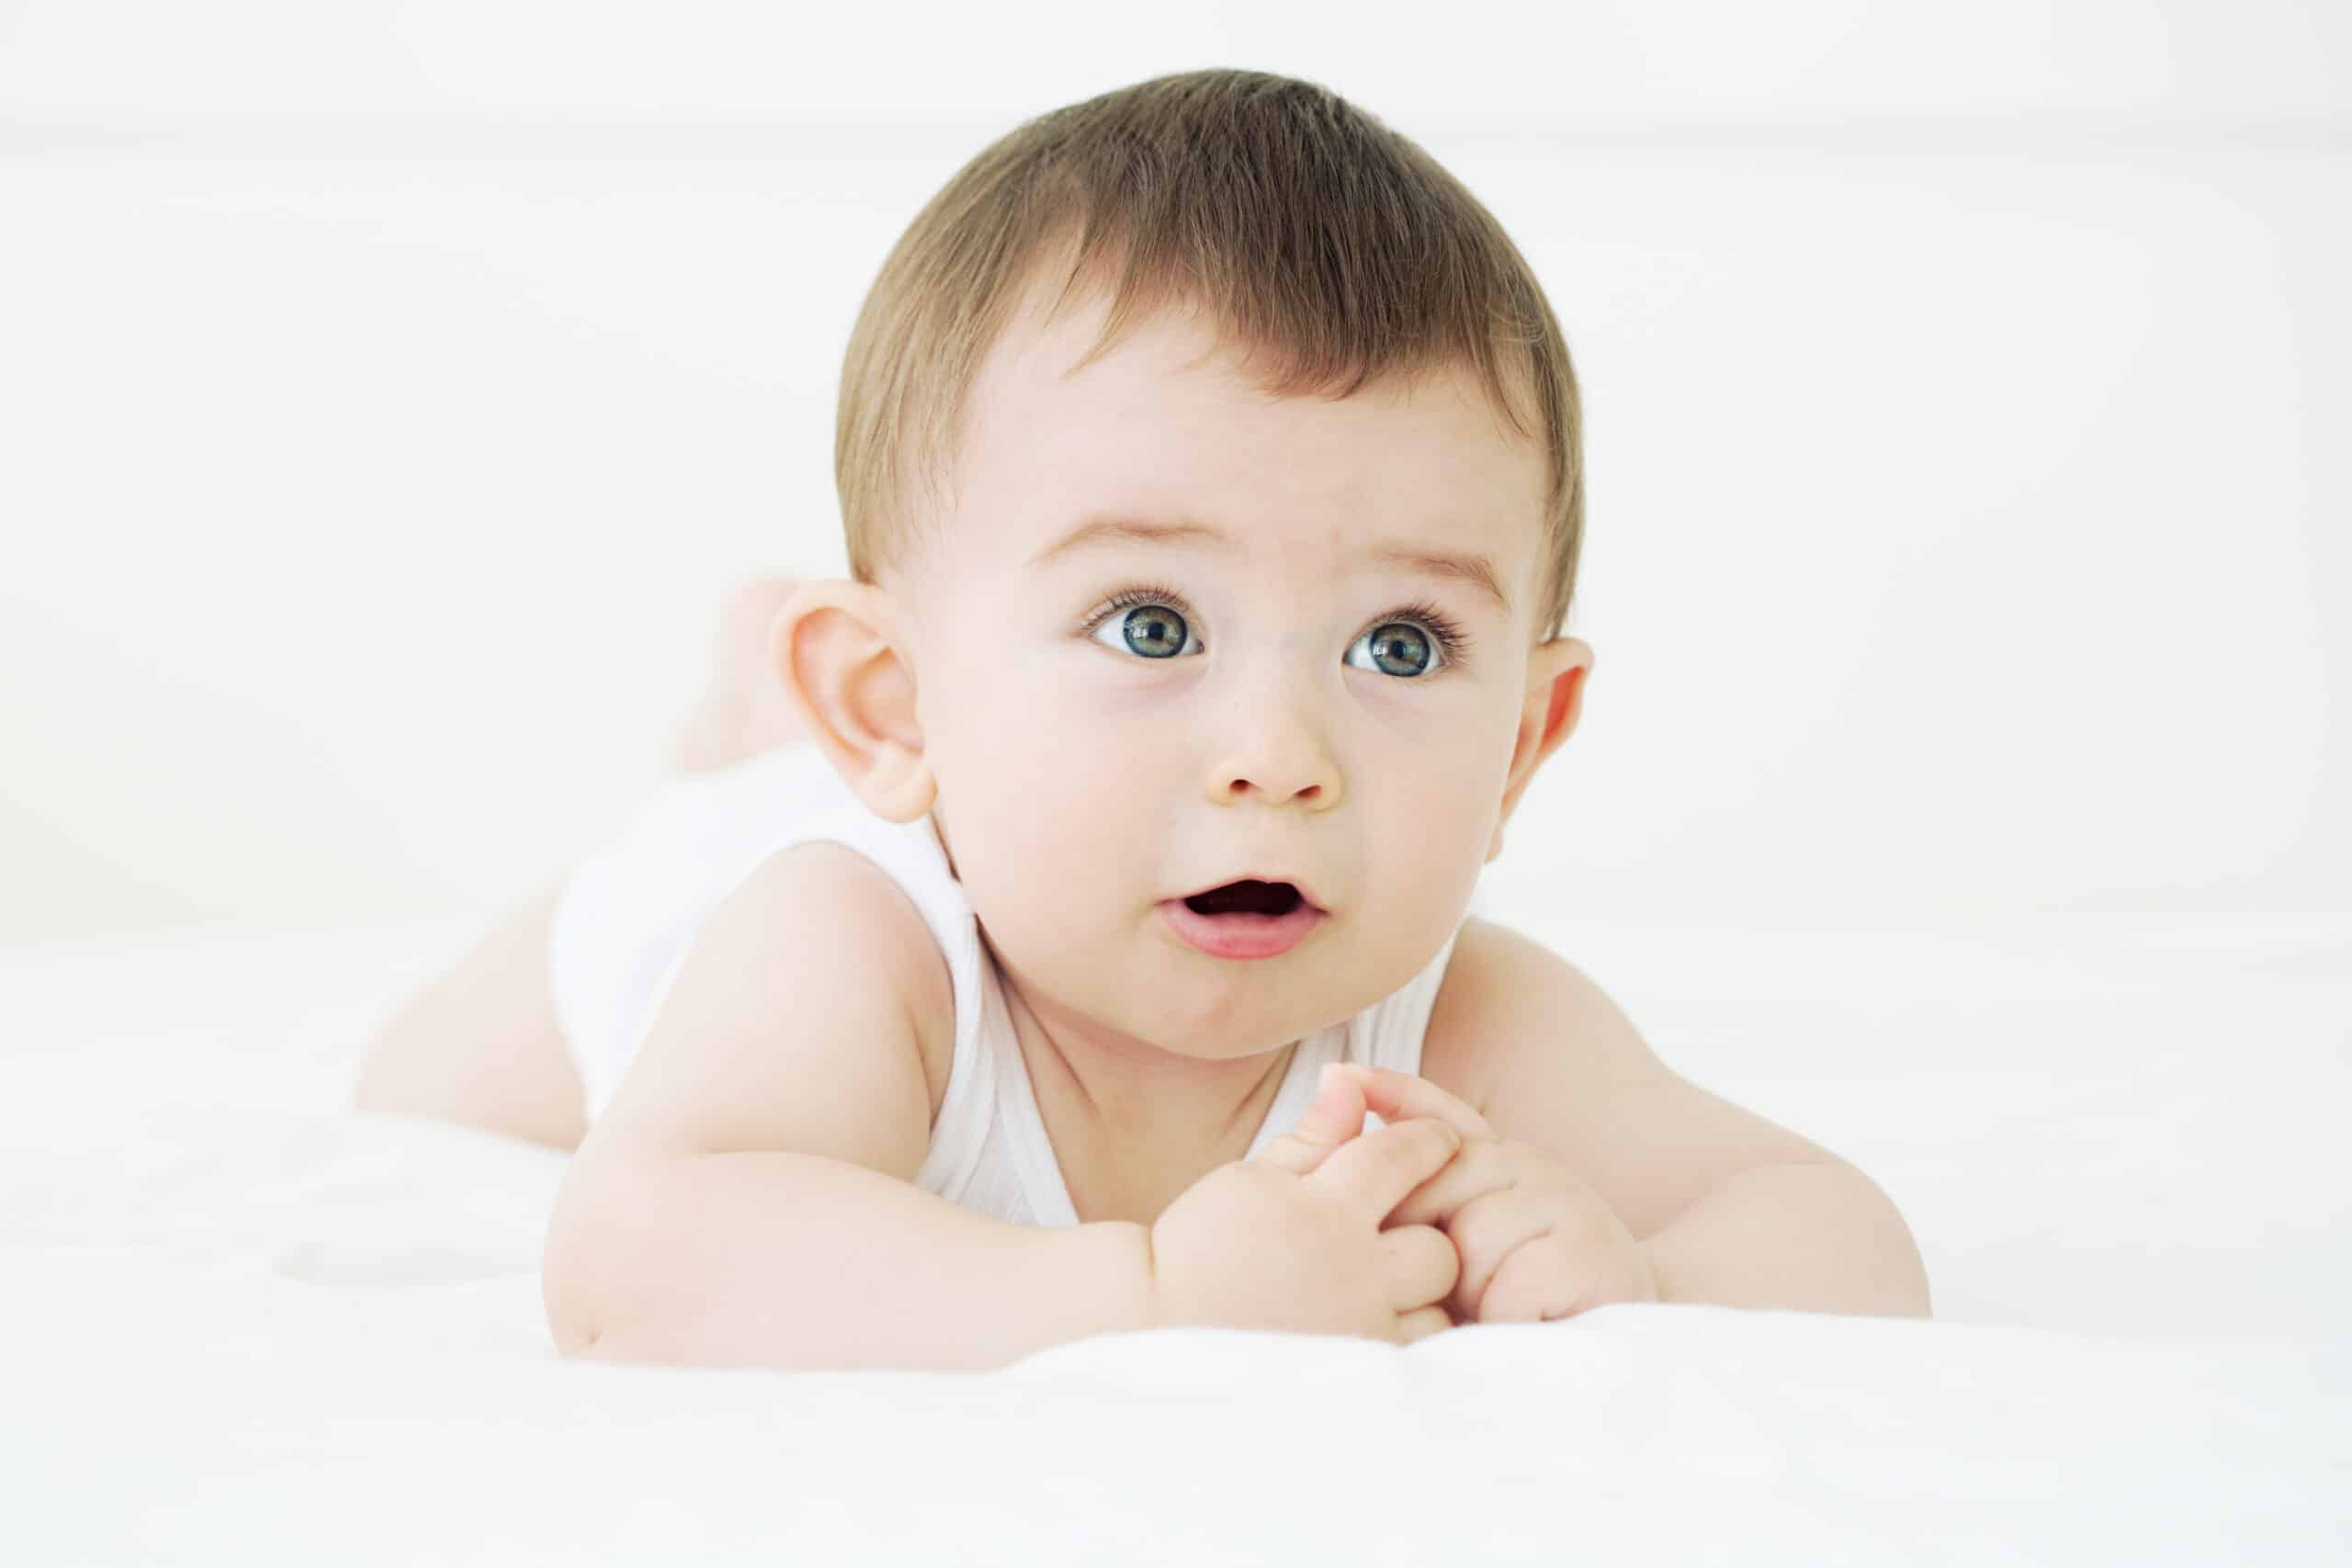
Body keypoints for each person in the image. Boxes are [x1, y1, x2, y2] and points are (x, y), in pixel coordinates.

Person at [353, 68, 1929, 1371]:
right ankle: (758, 744)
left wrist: (1641, 1278)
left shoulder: (1461, 1023)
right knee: (416, 1090)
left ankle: (809, 706)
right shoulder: (853, 945)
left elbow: (1838, 1233)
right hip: (697, 905)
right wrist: (1157, 1302)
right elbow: (633, 1268)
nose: (1281, 757)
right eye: (1151, 625)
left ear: (1523, 739)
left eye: (1398, 644)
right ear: (890, 705)